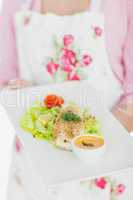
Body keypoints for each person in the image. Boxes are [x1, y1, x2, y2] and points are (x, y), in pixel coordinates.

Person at [0, 0, 133, 199]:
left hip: (102, 175)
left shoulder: (121, 6)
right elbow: (5, 80)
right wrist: (17, 93)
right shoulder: (16, 4)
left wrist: (86, 139)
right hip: (33, 176)